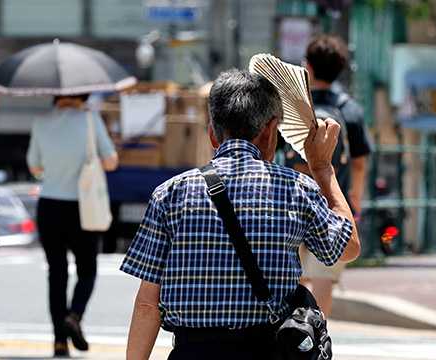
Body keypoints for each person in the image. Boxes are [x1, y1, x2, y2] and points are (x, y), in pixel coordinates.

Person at [120, 69, 360, 360]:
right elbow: (348, 248)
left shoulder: (169, 194)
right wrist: (323, 169)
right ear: (271, 131)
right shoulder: (297, 189)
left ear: (212, 133)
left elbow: (148, 304)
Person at [27, 94, 118, 357]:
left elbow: (35, 167)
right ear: (83, 94)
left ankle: (58, 341)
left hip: (50, 205)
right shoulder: (90, 120)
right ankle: (75, 316)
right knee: (87, 270)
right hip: (84, 208)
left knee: (56, 274)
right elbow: (111, 161)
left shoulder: (41, 121)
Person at [291, 34, 372, 316]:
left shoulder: (297, 108)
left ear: (307, 67)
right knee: (324, 277)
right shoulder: (351, 110)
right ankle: (317, 333)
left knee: (293, 273)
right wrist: (355, 200)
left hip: (294, 200)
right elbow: (360, 163)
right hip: (332, 201)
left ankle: (290, 332)